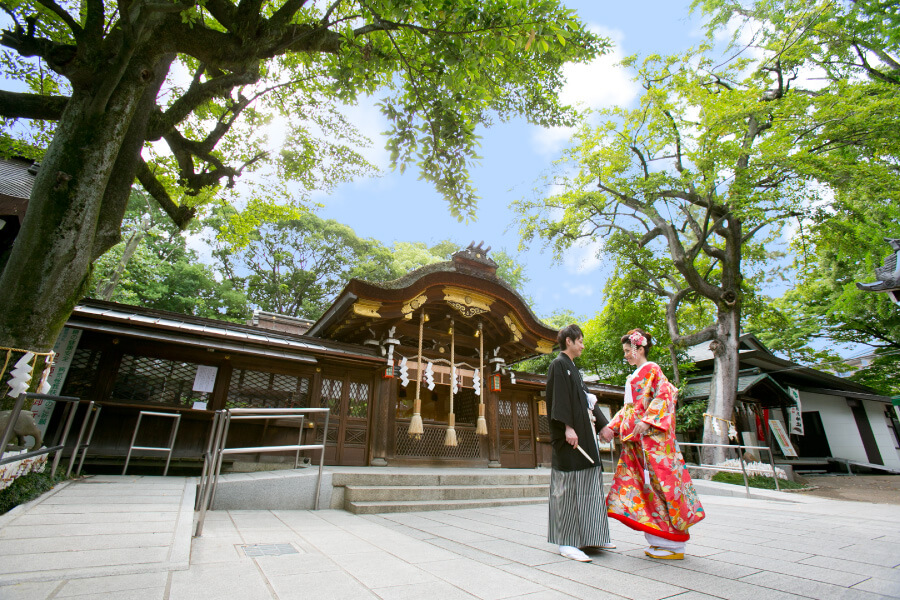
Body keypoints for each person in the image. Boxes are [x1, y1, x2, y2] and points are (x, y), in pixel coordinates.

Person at [599, 328, 705, 560]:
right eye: (625, 351)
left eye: (628, 351)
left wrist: (647, 421)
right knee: (645, 491)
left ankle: (673, 544)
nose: (626, 355)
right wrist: (611, 427)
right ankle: (659, 540)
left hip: (653, 447)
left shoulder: (652, 370)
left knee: (660, 488)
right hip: (638, 445)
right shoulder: (635, 375)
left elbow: (666, 394)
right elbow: (628, 410)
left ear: (639, 348)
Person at [546, 323, 614, 563]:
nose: (583, 345)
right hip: (570, 438)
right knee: (568, 487)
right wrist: (567, 426)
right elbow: (559, 400)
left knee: (588, 482)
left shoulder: (573, 368)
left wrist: (605, 425)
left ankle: (592, 535)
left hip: (584, 435)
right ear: (569, 341)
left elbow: (588, 398)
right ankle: (566, 541)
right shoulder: (558, 365)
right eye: (581, 341)